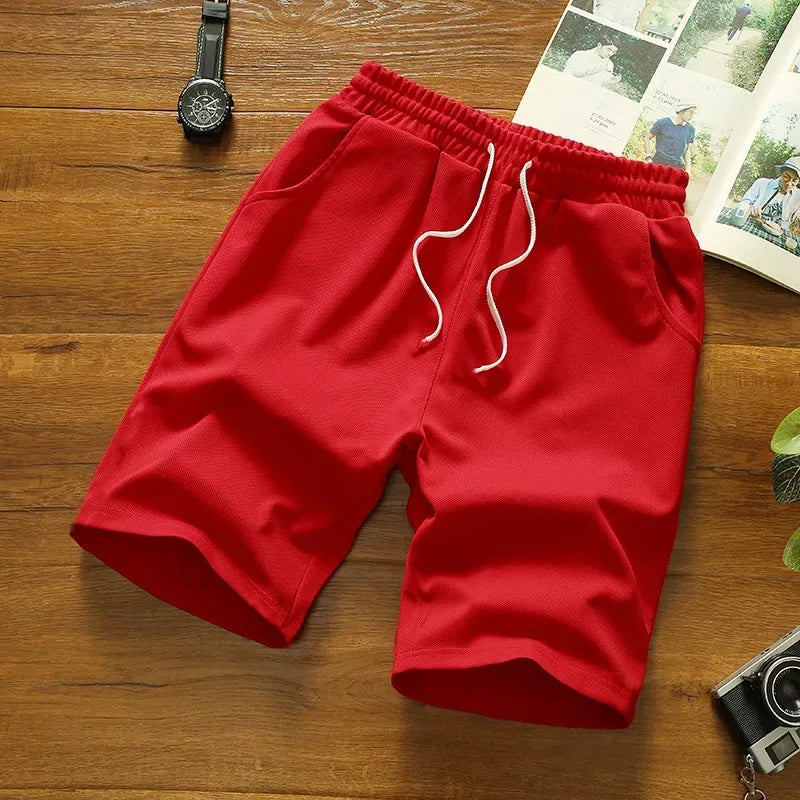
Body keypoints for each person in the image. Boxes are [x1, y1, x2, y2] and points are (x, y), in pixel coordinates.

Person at [738, 157, 800, 229]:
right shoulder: (762, 183)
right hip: (754, 224)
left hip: (778, 233)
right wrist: (749, 208)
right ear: (781, 173)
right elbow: (744, 203)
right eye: (786, 177)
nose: (789, 184)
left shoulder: (798, 196)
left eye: (794, 181)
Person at [644, 101, 696, 173]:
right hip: (659, 162)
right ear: (682, 110)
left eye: (693, 113)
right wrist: (648, 157)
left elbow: (687, 150)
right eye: (691, 112)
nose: (692, 116)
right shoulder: (662, 123)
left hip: (677, 167)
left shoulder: (691, 129)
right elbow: (647, 138)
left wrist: (688, 168)